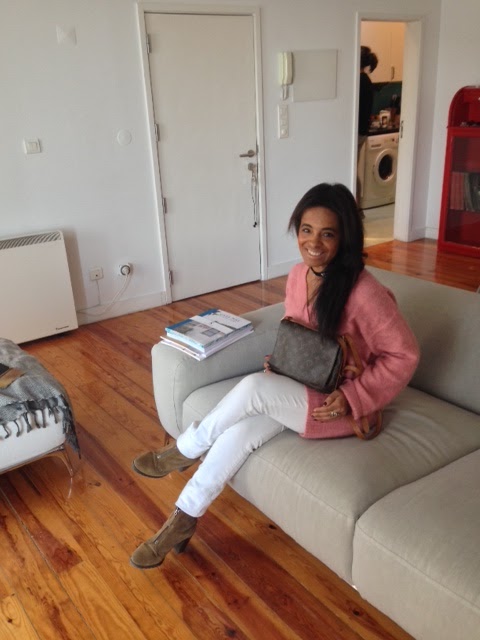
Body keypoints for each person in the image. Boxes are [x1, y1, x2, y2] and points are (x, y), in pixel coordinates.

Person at [130, 182, 419, 570]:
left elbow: (404, 354)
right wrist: (281, 363)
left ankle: (187, 448)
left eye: (328, 234)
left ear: (345, 238)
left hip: (336, 407)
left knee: (252, 387)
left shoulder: (364, 291)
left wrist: (354, 397)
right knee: (237, 434)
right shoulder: (299, 275)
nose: (313, 243)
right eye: (306, 230)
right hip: (300, 389)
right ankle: (181, 521)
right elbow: (298, 334)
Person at [357, 46, 378, 204]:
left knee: (351, 172)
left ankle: (356, 207)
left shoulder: (359, 81)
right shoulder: (365, 80)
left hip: (357, 133)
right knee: (352, 170)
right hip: (362, 132)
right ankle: (357, 207)